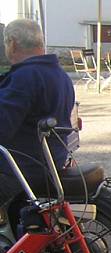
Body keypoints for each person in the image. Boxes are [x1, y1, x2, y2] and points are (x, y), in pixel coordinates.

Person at [0, 18, 74, 203]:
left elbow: (2, 127)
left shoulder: (25, 77)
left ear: (13, 44)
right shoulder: (59, 74)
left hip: (23, 169)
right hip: (51, 162)